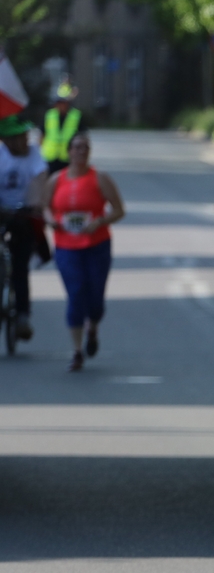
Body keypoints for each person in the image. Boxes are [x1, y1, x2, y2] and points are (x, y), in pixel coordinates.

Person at [43, 133, 125, 371]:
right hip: (66, 246)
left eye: (85, 148)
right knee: (76, 293)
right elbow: (45, 207)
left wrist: (99, 221)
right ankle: (77, 351)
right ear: (69, 152)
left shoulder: (100, 178)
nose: (81, 151)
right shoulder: (56, 180)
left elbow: (119, 210)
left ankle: (93, 327)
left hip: (96, 245)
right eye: (77, 147)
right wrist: (52, 220)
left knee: (95, 298)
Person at [0, 115, 49, 342]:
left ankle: (22, 316)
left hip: (23, 213)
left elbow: (40, 178)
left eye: (24, 135)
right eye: (17, 137)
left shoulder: (34, 154)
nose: (23, 140)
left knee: (20, 267)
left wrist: (36, 203)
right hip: (1, 211)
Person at [40, 81, 83, 175]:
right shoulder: (49, 115)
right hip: (50, 157)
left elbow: (82, 137)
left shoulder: (76, 116)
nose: (60, 105)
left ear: (67, 103)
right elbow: (42, 135)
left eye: (62, 103)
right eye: (58, 103)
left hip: (67, 158)